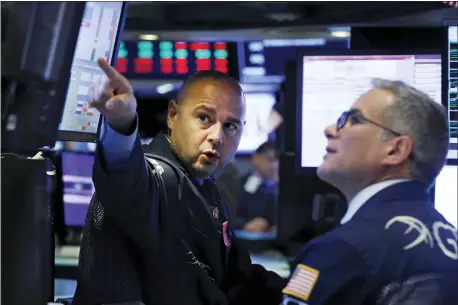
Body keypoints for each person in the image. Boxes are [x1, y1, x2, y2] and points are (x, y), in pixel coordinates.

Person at [73, 59, 285, 305]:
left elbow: (237, 279)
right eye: (204, 118)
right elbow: (126, 177)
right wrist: (121, 124)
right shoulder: (158, 178)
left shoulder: (207, 189)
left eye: (230, 126)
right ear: (173, 115)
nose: (217, 136)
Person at [281, 79, 458, 305]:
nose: (330, 130)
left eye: (354, 120)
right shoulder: (451, 243)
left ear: (395, 150)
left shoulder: (342, 250)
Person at [235, 142, 279, 232]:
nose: (274, 165)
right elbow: (231, 216)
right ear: (256, 158)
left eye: (277, 160)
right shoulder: (240, 184)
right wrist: (245, 224)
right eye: (270, 160)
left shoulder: (283, 186)